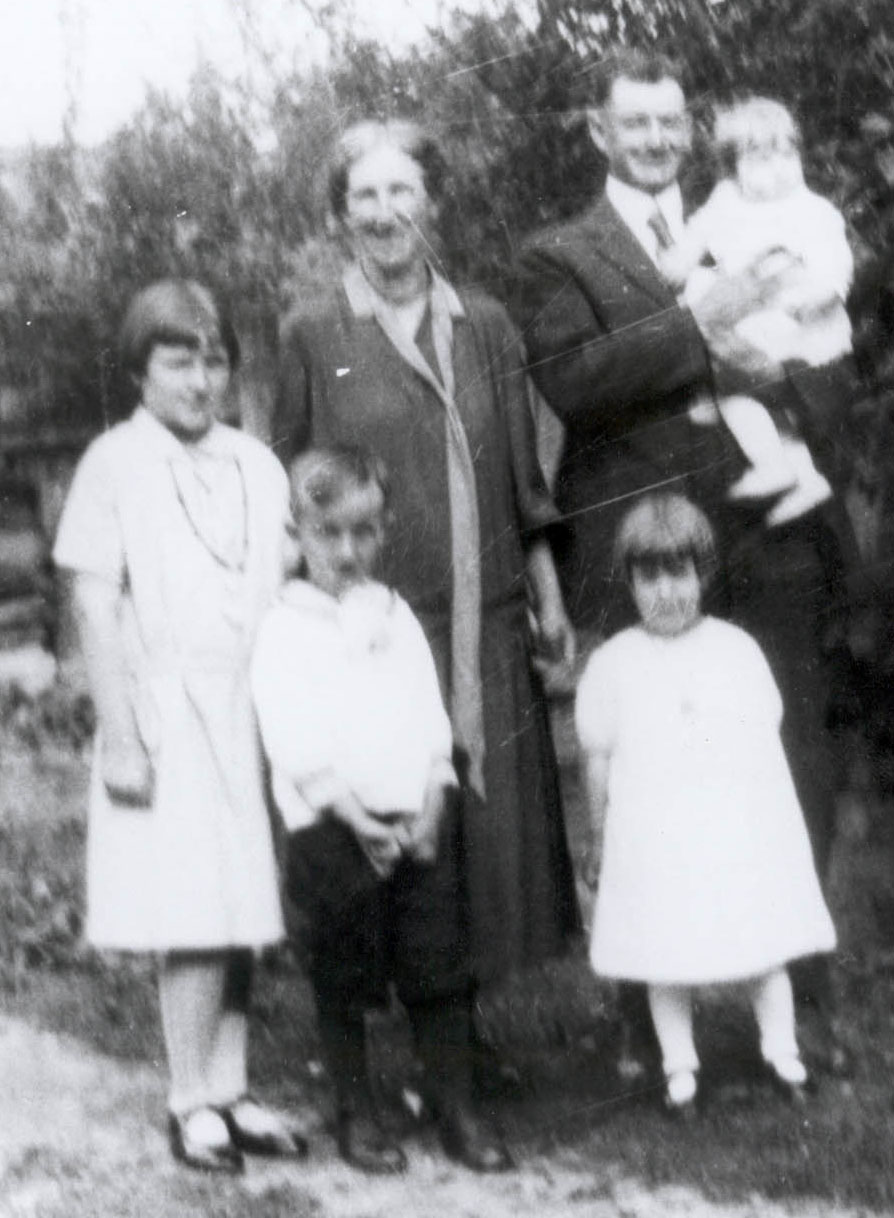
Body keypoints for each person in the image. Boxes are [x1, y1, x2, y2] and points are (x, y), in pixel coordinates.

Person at [509, 49, 855, 1074]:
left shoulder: (741, 224)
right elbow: (576, 379)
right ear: (598, 131)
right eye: (636, 122)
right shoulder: (559, 254)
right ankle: (641, 1012)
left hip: (764, 531)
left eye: (671, 121)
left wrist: (797, 409)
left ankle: (797, 999)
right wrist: (700, 324)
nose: (658, 139)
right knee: (642, 772)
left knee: (791, 755)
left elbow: (821, 347)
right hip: (643, 546)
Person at [273, 120, 581, 1000]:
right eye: (364, 196)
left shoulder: (485, 325)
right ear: (341, 215)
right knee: (389, 828)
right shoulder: (313, 332)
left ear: (431, 203)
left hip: (485, 626)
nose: (384, 212)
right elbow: (288, 487)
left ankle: (461, 1034)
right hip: (373, 639)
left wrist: (550, 604)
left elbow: (522, 479)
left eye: (400, 190)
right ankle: (394, 1031)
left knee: (482, 839)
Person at [53, 280, 306, 1173]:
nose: (201, 381)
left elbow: (283, 578)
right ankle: (189, 1099)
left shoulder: (256, 462)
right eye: (179, 361)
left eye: (215, 361)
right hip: (166, 716)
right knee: (194, 909)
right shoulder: (114, 462)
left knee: (244, 908)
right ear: (139, 370)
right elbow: (93, 604)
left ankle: (230, 1088)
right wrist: (122, 737)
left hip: (250, 707)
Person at [251, 445, 511, 1174]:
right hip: (333, 831)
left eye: (363, 532)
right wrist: (355, 817)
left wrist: (432, 805)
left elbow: (430, 719)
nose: (347, 551)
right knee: (343, 972)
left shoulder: (394, 615)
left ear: (384, 529)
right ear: (297, 534)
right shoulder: (284, 628)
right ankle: (355, 1111)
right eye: (328, 533)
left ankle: (456, 1107)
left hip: (412, 827)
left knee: (438, 968)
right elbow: (292, 738)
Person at [576, 494, 836, 1114]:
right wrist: (598, 834)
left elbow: (764, 741)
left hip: (731, 832)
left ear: (704, 574)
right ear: (630, 583)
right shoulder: (614, 663)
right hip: (655, 840)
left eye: (679, 573)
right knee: (664, 951)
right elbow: (597, 756)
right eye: (649, 577)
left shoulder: (735, 650)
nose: (666, 592)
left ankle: (782, 1052)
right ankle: (680, 1068)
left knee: (761, 944)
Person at [659, 96, 854, 523]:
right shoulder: (727, 200)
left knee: (739, 390)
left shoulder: (812, 210)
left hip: (802, 329)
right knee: (745, 397)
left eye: (788, 154)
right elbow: (699, 232)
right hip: (752, 325)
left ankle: (779, 463)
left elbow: (836, 268)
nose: (780, 168)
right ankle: (796, 472)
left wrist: (814, 296)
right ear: (734, 168)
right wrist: (681, 260)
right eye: (762, 159)